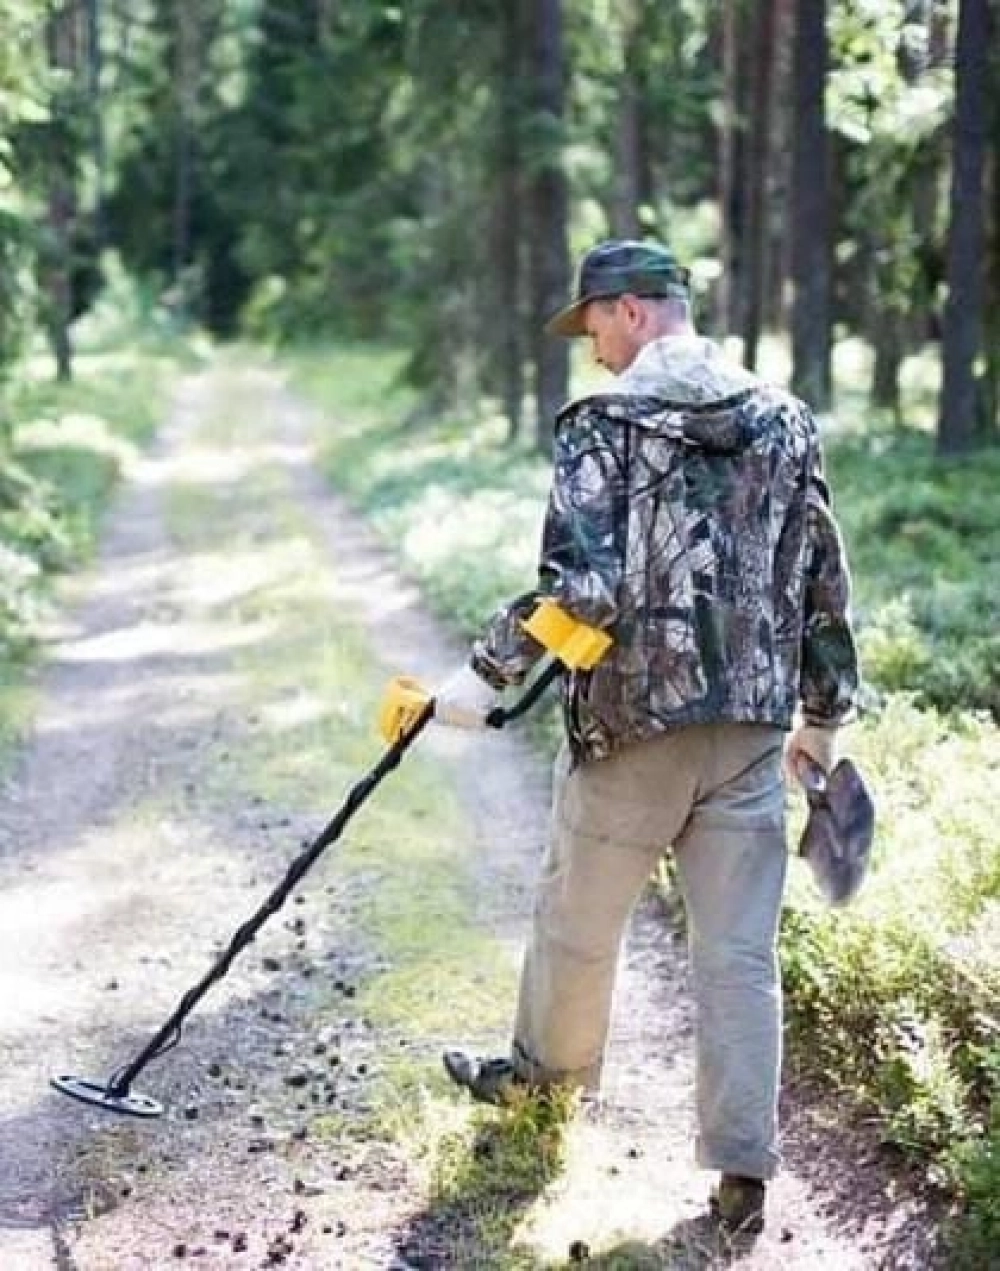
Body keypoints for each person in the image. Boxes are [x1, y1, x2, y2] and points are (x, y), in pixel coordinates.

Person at [431, 238, 859, 1233]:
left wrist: (480, 675)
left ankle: (543, 1088)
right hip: (749, 730)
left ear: (630, 310)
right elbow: (821, 580)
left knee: (578, 925)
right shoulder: (784, 420)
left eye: (592, 326)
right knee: (740, 951)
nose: (591, 350)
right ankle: (742, 1164)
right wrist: (823, 720)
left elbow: (580, 587)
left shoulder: (603, 424)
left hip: (631, 723)